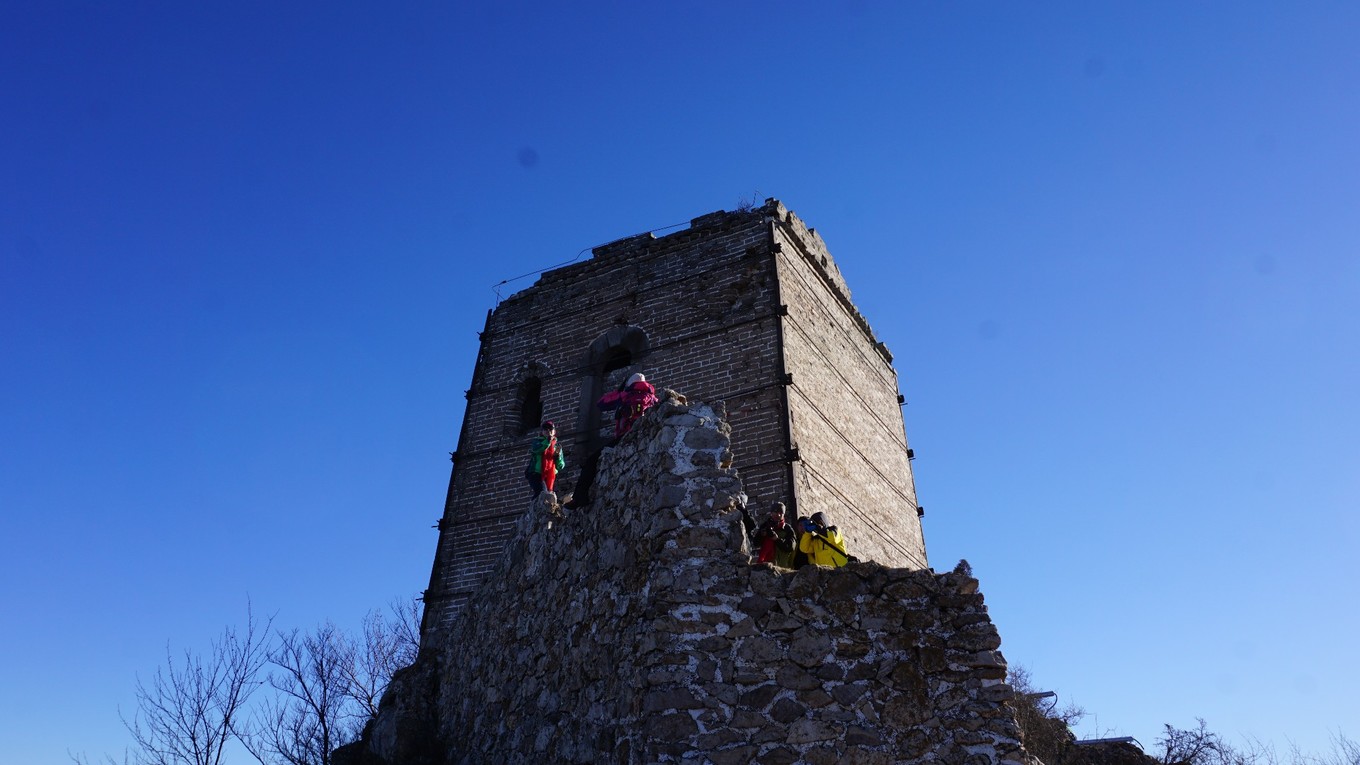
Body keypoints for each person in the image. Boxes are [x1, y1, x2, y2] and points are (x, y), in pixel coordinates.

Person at [563, 373, 659, 510]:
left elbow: (602, 403)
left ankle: (579, 498)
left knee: (591, 462)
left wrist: (620, 391)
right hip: (645, 435)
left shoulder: (626, 395)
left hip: (625, 436)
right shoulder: (653, 398)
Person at [525, 420, 565, 498]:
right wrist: (547, 442)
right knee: (541, 492)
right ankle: (535, 508)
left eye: (550, 429)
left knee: (547, 495)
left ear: (554, 431)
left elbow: (560, 466)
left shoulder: (556, 446)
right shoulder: (537, 441)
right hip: (536, 473)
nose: (548, 431)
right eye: (545, 429)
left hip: (549, 475)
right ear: (542, 431)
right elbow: (537, 450)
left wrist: (558, 457)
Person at [751, 502, 797, 566]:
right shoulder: (765, 526)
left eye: (781, 513)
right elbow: (755, 543)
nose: (778, 515)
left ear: (783, 514)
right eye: (775, 512)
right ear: (771, 513)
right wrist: (761, 535)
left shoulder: (787, 529)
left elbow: (791, 547)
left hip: (781, 566)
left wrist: (777, 539)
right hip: (765, 565)